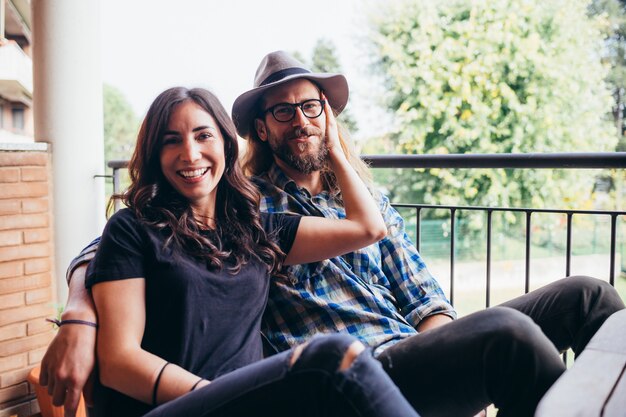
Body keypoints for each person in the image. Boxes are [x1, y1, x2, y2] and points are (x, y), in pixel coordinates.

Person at [41, 52, 625, 417]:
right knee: (503, 333)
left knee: (587, 295)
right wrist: (78, 311)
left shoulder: (323, 213)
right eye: (283, 111)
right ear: (259, 131)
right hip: (348, 367)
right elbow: (120, 244)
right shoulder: (250, 202)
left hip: (407, 355)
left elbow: (414, 284)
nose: (301, 120)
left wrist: (449, 354)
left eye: (313, 106)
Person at [52, 86, 422, 417]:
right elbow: (118, 361)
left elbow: (368, 228)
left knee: (482, 330)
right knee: (333, 357)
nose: (190, 153)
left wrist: (334, 150)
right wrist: (218, 397)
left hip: (244, 401)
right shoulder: (133, 229)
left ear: (227, 146)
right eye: (171, 141)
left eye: (203, 136)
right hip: (176, 406)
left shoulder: (257, 229)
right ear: (155, 155)